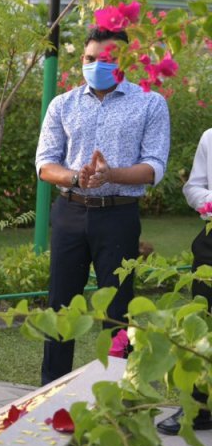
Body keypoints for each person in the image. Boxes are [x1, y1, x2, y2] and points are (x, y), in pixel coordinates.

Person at [35, 27, 170, 385]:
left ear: (126, 61)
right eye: (89, 59)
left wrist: (111, 174)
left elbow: (154, 166)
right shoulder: (62, 104)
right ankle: (49, 393)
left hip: (119, 215)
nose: (96, 65)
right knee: (61, 305)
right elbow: (45, 164)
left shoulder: (150, 103)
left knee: (118, 308)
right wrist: (76, 178)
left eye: (107, 60)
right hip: (70, 212)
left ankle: (117, 391)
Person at [157, 130, 212, 435]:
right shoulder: (209, 137)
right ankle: (199, 408)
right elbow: (193, 187)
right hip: (211, 237)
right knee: (202, 322)